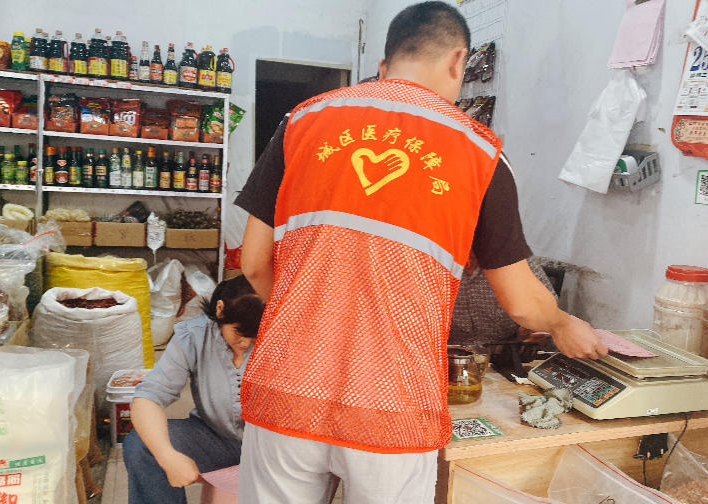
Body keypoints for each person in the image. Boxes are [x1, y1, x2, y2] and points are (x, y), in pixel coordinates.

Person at [235, 2, 609, 502]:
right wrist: (563, 324)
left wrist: (305, 314)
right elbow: (521, 302)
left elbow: (253, 262)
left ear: (384, 66)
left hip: (287, 386)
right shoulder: (480, 155)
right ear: (458, 62)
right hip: (393, 403)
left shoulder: (304, 120)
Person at [122, 275, 265, 504]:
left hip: (272, 446)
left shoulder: (283, 336)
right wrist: (167, 456)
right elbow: (149, 396)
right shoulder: (194, 334)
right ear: (220, 310)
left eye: (255, 336)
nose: (246, 343)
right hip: (217, 438)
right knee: (141, 446)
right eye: (239, 332)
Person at [449, 254, 558, 346]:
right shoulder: (437, 258)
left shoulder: (515, 257)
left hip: (508, 352)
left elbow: (547, 306)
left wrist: (532, 326)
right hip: (446, 356)